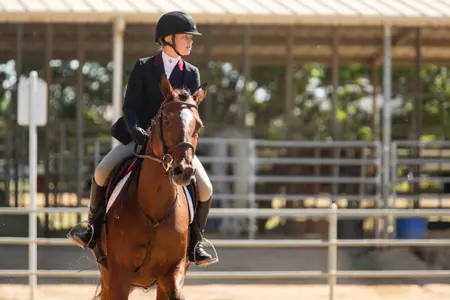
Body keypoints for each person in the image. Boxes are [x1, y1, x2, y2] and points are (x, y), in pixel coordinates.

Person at [68, 11, 217, 267]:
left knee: (205, 188)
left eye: (191, 38)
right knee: (102, 172)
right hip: (140, 140)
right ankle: (91, 230)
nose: (191, 41)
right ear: (167, 39)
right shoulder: (144, 67)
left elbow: (190, 113)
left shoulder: (191, 73)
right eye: (186, 37)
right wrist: (137, 129)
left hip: (175, 147)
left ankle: (195, 243)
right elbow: (131, 107)